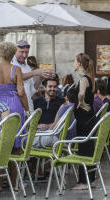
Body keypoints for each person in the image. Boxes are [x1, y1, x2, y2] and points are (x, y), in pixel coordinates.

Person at [0, 41, 29, 149]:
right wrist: (27, 110)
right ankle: (15, 163)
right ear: (13, 54)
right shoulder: (16, 69)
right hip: (14, 104)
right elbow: (21, 92)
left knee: (0, 141)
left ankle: (2, 163)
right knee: (15, 140)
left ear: (0, 54)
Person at [72, 53, 96, 190]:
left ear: (80, 63)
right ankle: (90, 180)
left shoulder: (83, 79)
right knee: (88, 148)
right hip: (87, 118)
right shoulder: (88, 78)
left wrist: (80, 102)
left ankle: (83, 182)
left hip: (84, 119)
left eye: (75, 61)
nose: (73, 64)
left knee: (84, 148)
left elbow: (81, 93)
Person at [12, 40, 54, 112]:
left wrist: (41, 78)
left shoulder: (27, 67)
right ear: (15, 51)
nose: (25, 55)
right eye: (22, 52)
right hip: (16, 107)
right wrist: (34, 72)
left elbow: (31, 91)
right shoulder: (11, 63)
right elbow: (16, 77)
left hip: (28, 107)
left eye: (27, 52)